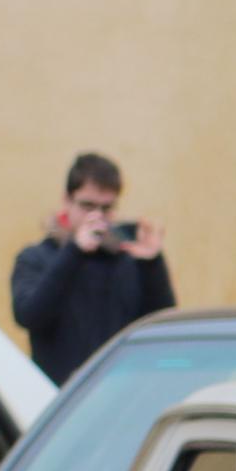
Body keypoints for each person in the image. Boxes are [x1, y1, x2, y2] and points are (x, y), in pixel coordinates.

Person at [12, 151, 174, 382]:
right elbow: (29, 315)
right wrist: (74, 251)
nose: (97, 216)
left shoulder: (127, 259)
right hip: (58, 398)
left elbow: (161, 324)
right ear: (66, 201)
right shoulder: (36, 257)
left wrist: (152, 264)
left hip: (120, 394)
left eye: (106, 208)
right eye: (88, 206)